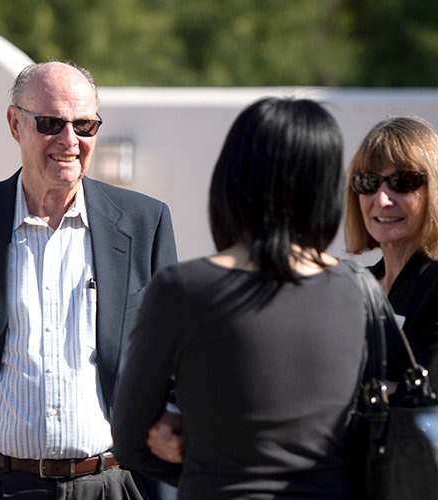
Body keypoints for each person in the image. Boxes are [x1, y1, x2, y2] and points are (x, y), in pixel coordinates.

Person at [0, 60, 178, 499]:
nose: (69, 140)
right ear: (14, 124)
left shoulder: (144, 222)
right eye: (51, 123)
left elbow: (172, 360)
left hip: (114, 484)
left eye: (85, 125)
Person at [111, 97, 367, 499]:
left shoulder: (185, 289)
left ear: (232, 179)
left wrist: (203, 464)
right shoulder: (357, 290)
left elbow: (129, 440)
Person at [344, 116, 438, 412]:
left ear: (436, 192)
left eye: (402, 182)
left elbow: (437, 404)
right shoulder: (350, 287)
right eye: (368, 182)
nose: (382, 199)